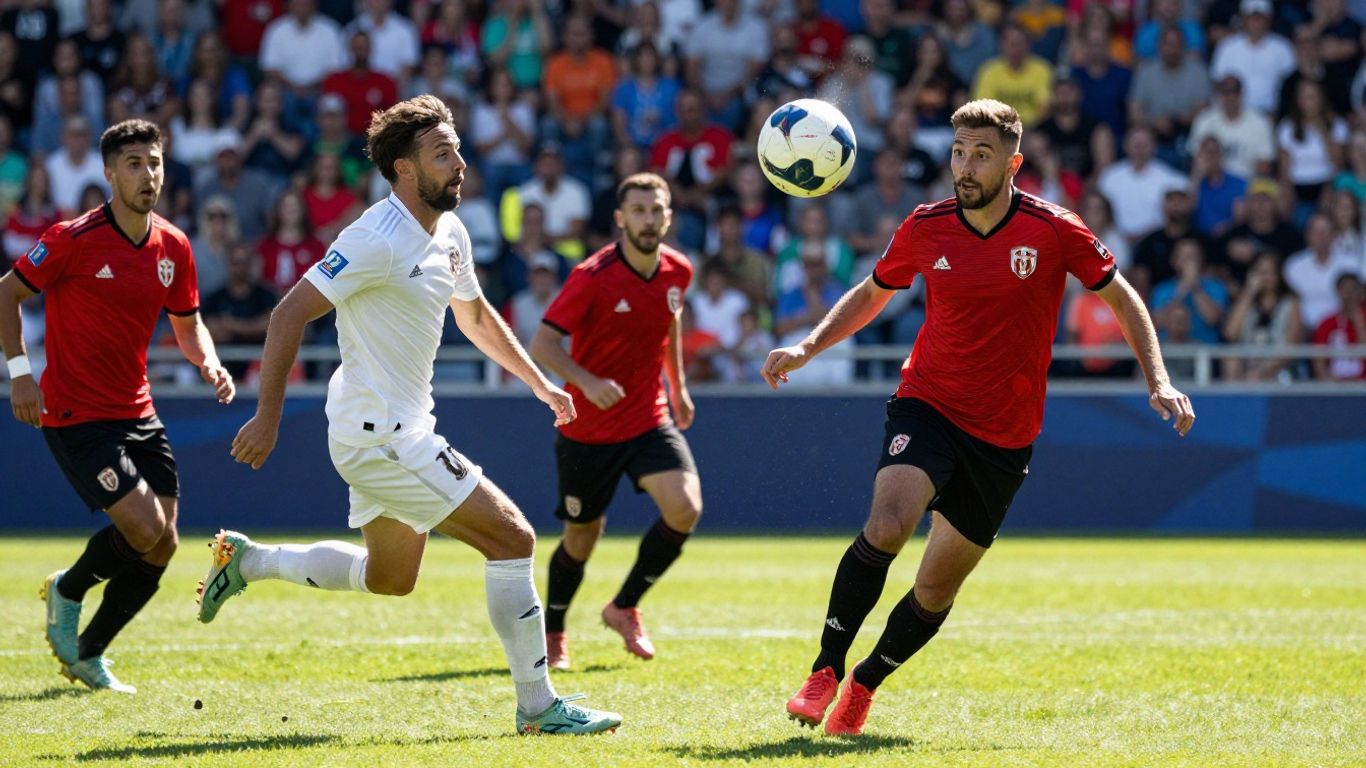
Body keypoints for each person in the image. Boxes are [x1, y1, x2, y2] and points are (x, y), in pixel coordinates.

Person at [764, 99, 1194, 736]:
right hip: (929, 403)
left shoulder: (1054, 229)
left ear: (1012, 165)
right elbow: (873, 292)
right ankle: (825, 669)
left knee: (935, 589)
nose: (965, 167)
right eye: (959, 153)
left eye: (981, 155)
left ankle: (865, 683)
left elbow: (1122, 297)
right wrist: (808, 346)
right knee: (887, 524)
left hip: (1003, 435)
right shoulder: (926, 225)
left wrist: (1158, 379)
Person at [196, 96, 620, 736]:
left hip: (390, 431)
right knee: (514, 539)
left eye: (457, 150)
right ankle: (538, 708)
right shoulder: (374, 236)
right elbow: (287, 315)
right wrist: (268, 418)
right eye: (442, 154)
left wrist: (540, 383)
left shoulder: (450, 231)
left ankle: (247, 562)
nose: (460, 164)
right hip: (382, 438)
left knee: (390, 578)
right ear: (403, 168)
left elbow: (474, 315)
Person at [0, 119, 235, 694]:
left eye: (154, 163)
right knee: (144, 527)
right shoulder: (71, 238)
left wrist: (208, 361)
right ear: (109, 173)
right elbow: (7, 292)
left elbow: (188, 325)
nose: (147, 174)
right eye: (134, 164)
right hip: (75, 413)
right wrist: (20, 375)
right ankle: (68, 589)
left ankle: (88, 653)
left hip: (138, 410)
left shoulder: (173, 246)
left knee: (165, 543)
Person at [527, 172, 699, 670]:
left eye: (657, 210)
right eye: (639, 211)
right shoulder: (592, 276)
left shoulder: (679, 270)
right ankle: (553, 632)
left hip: (648, 416)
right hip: (589, 430)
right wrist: (587, 382)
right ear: (620, 219)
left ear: (668, 216)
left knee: (685, 508)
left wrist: (678, 387)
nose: (649, 219)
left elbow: (670, 321)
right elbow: (542, 344)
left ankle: (623, 606)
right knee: (581, 539)